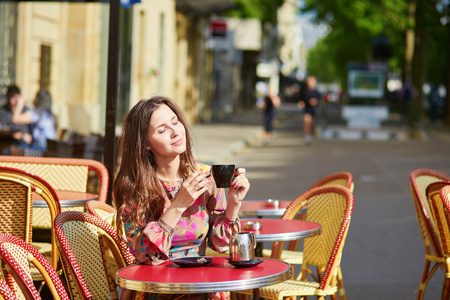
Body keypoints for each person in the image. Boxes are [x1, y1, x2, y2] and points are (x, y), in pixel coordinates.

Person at [114, 96, 250, 300]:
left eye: (175, 122)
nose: (175, 131)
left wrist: (234, 202)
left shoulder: (205, 177)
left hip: (199, 287)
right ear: (145, 144)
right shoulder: (135, 188)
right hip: (155, 291)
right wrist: (178, 205)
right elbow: (145, 254)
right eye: (162, 130)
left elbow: (220, 244)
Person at [0, 85, 33, 150]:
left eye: (14, 97)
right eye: (10, 96)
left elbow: (31, 134)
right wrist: (14, 135)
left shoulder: (26, 111)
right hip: (5, 144)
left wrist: (23, 136)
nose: (11, 100)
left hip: (23, 146)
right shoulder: (2, 111)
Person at [298, 76, 321, 144]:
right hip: (306, 109)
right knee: (307, 122)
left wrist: (315, 101)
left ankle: (310, 135)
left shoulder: (316, 91)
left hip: (313, 109)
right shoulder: (304, 90)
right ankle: (307, 136)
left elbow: (319, 99)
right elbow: (301, 99)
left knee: (311, 123)